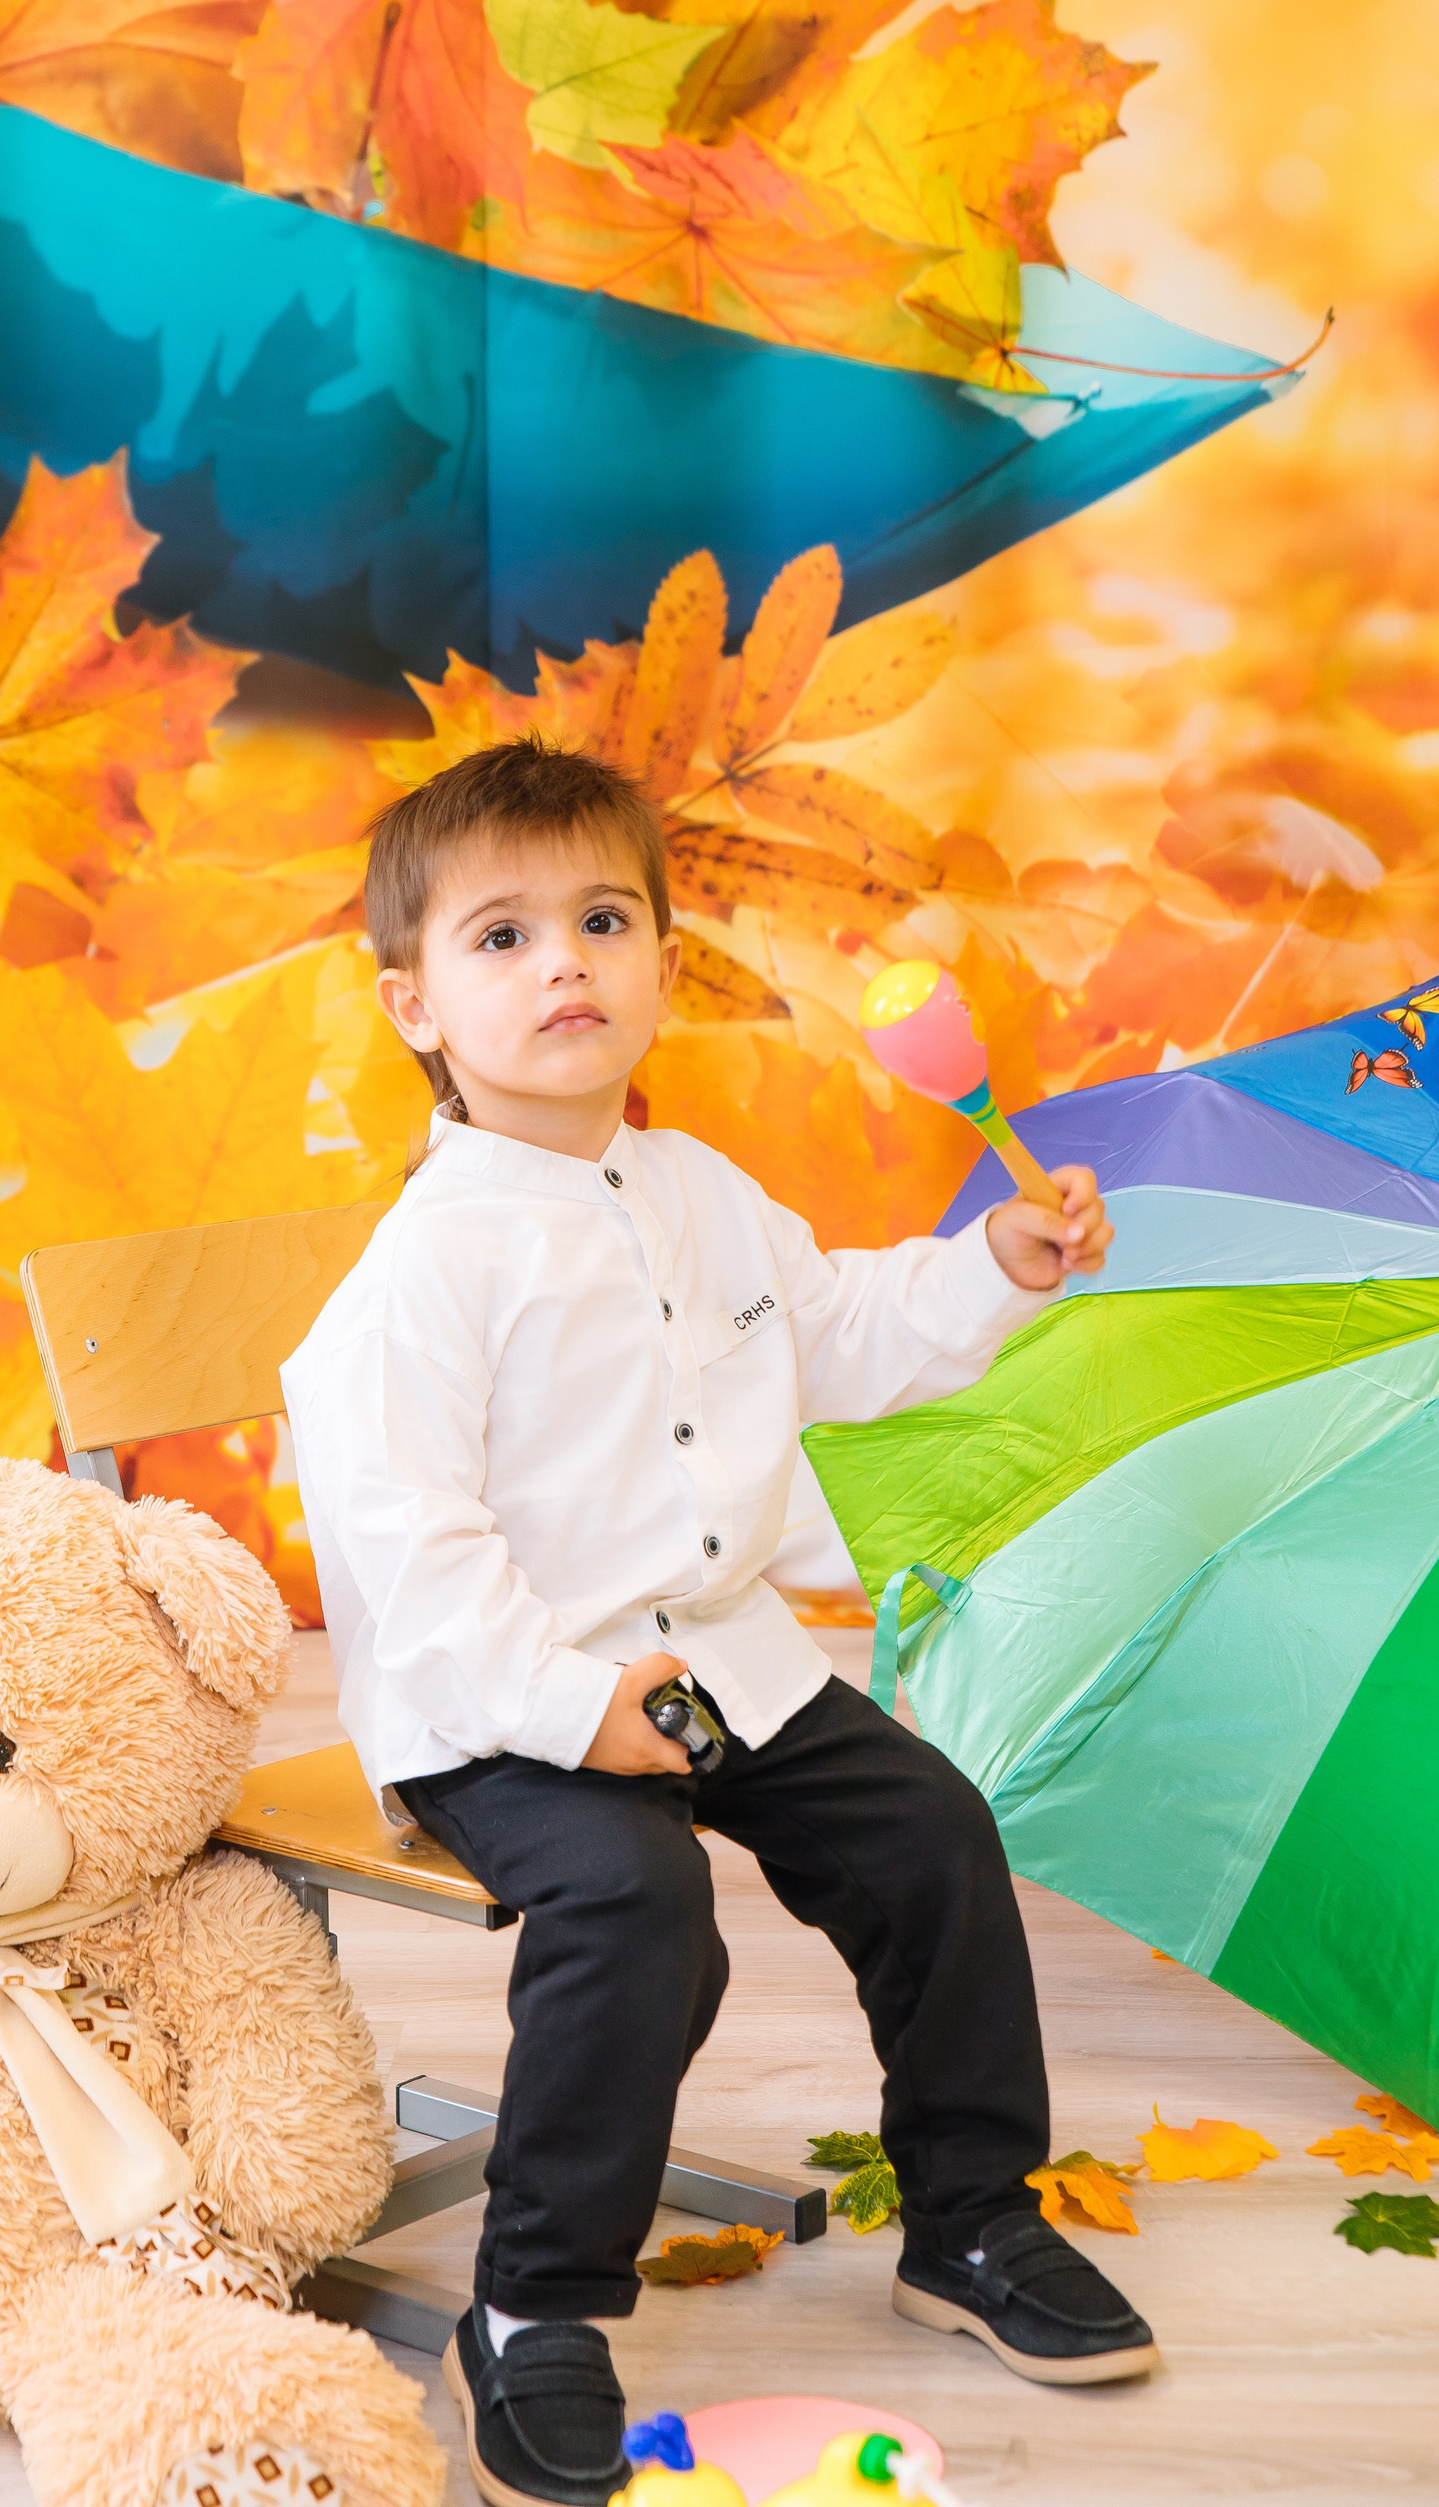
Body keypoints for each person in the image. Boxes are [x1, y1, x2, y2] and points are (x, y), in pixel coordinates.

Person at [282, 741, 1156, 2507]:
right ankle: (533, 2305)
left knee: (928, 1832)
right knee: (640, 1901)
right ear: (415, 1007)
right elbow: (411, 1549)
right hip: (503, 1691)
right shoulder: (424, 1271)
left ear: (665, 967)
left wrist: (990, 1267)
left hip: (719, 1651)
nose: (565, 965)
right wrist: (568, 1705)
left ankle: (970, 2217)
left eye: (604, 923)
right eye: (505, 937)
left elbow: (837, 1333)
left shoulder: (701, 1192)